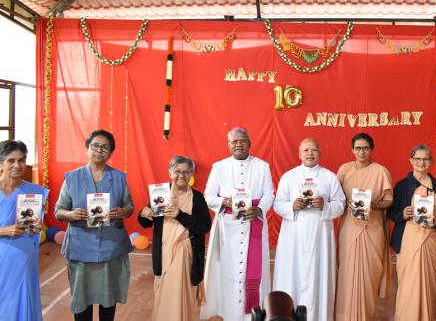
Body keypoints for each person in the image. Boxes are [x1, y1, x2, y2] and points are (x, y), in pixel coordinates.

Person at [55, 130, 134, 321]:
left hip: (111, 247)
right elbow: (59, 211)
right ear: (87, 148)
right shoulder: (71, 178)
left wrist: (122, 212)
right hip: (81, 247)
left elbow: (129, 206)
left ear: (111, 152)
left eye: (105, 147)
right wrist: (71, 214)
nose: (100, 150)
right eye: (95, 145)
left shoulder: (119, 178)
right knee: (82, 300)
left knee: (108, 300)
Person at [201, 127, 274, 321]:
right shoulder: (219, 167)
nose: (238, 144)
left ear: (249, 144)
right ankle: (228, 313)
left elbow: (269, 195)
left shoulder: (262, 166)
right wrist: (224, 202)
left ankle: (252, 315)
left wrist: (260, 210)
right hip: (227, 227)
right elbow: (208, 196)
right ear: (229, 145)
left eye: (242, 141)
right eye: (234, 142)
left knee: (252, 269)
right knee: (227, 270)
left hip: (254, 224)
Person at [274, 137, 345, 321]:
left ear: (319, 153)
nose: (310, 154)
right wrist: (292, 206)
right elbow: (278, 204)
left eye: (313, 150)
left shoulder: (330, 177)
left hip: (320, 236)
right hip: (293, 236)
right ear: (299, 154)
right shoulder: (288, 177)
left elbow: (341, 205)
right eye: (306, 150)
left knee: (317, 278)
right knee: (292, 276)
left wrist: (325, 206)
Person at [138, 156, 211, 321]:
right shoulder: (160, 193)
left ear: (192, 174)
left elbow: (204, 227)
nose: (181, 175)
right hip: (163, 253)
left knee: (184, 296)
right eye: (177, 171)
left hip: (187, 255)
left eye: (186, 172)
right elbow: (145, 223)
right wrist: (144, 213)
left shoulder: (197, 198)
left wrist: (180, 215)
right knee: (164, 296)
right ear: (170, 172)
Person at [335, 133, 393, 321]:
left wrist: (374, 205)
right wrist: (346, 204)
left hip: (372, 229)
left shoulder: (380, 171)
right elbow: (336, 198)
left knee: (369, 275)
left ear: (371, 149)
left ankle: (366, 316)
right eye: (358, 148)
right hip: (349, 229)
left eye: (365, 148)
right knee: (347, 274)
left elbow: (389, 200)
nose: (362, 151)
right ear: (352, 150)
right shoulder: (344, 170)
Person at [389, 144, 436, 321]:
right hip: (408, 240)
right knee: (408, 285)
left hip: (429, 239)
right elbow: (391, 213)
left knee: (427, 284)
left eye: (425, 159)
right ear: (411, 161)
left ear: (430, 161)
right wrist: (402, 213)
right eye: (417, 159)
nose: (421, 162)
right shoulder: (402, 186)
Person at [0, 140, 49, 321]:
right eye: (11, 161)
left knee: (21, 300)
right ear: (1, 164)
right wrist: (4, 230)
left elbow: (35, 225)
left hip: (23, 257)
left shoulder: (35, 191)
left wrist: (36, 227)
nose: (17, 165)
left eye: (21, 160)